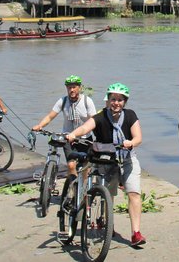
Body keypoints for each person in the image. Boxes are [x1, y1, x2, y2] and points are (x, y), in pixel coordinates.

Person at [67, 82, 146, 247]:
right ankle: (108, 225)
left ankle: (136, 233)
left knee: (134, 193)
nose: (116, 103)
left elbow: (138, 137)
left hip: (128, 159)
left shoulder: (130, 115)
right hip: (106, 161)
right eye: (113, 99)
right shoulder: (100, 116)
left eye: (120, 100)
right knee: (107, 195)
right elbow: (85, 127)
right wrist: (73, 134)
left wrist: (130, 142)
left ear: (125, 102)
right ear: (108, 100)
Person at [32, 75, 97, 176]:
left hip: (85, 139)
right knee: (71, 165)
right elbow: (50, 116)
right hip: (68, 138)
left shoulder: (87, 101)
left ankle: (82, 191)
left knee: (85, 167)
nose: (71, 90)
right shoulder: (63, 101)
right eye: (69, 87)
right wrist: (40, 125)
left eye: (74, 87)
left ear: (79, 87)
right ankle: (72, 187)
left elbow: (94, 120)